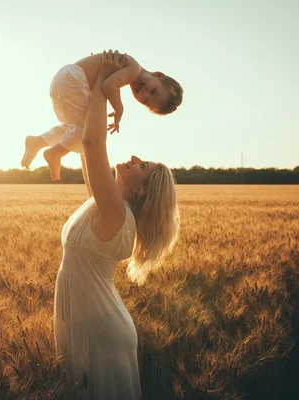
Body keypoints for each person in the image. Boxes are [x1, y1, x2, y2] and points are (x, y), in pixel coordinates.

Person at [53, 51, 180, 399]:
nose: (135, 158)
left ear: (140, 189)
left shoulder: (116, 213)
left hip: (101, 335)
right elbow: (85, 149)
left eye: (143, 166)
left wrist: (99, 82)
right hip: (94, 325)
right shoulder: (107, 202)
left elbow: (94, 143)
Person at [21, 50, 183, 181]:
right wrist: (119, 109)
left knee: (75, 128)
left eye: (146, 101)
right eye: (153, 90)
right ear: (158, 75)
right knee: (89, 131)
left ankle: (39, 141)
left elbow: (106, 80)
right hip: (73, 80)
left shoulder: (130, 69)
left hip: (63, 80)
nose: (144, 94)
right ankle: (56, 152)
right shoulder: (134, 69)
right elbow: (108, 85)